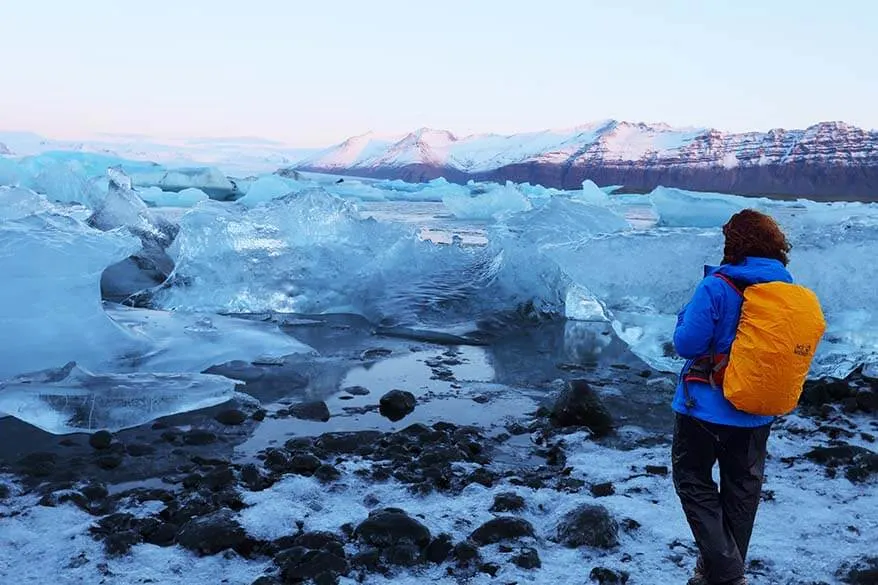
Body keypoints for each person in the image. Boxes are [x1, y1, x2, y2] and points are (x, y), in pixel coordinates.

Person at [671, 209, 793, 585]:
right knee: (742, 492)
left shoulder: (717, 286)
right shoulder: (785, 292)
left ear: (733, 244)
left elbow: (686, 343)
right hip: (757, 410)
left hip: (704, 408)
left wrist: (682, 316)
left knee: (691, 478)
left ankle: (726, 574)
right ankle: (715, 572)